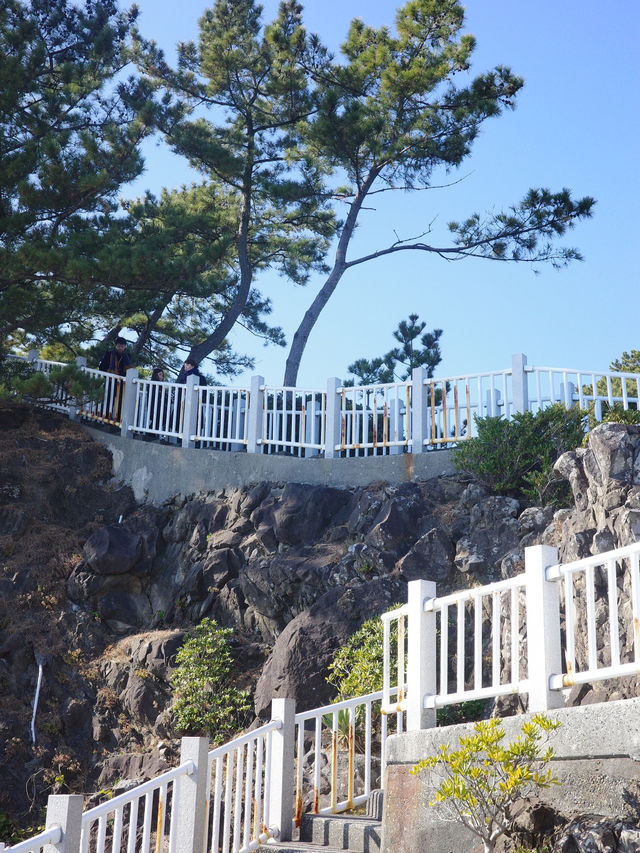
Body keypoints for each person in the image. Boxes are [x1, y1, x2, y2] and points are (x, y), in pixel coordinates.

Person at [98, 336, 131, 422]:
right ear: (115, 346)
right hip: (110, 381)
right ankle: (103, 418)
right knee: (107, 400)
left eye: (123, 346)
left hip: (121, 383)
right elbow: (102, 367)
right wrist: (109, 376)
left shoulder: (127, 357)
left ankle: (117, 420)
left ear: (125, 347)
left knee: (120, 402)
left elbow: (129, 371)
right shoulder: (109, 354)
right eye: (119, 346)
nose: (121, 348)